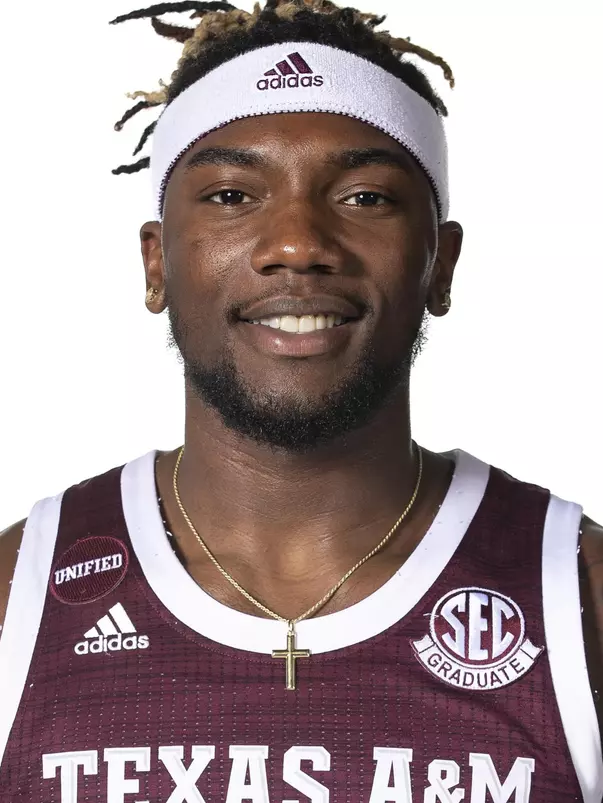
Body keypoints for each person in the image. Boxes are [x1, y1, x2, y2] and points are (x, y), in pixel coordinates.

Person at [0, 0, 601, 800]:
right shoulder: (19, 595)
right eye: (229, 196)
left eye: (364, 198)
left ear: (441, 264)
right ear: (155, 263)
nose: (297, 244)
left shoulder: (576, 590)